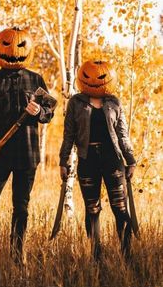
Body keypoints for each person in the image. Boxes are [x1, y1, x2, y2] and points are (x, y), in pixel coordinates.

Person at [0, 27, 54, 263]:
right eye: (7, 44)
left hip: (27, 155)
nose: (14, 51)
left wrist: (39, 112)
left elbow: (50, 112)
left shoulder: (35, 80)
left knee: (21, 208)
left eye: (20, 46)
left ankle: (17, 257)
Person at [59, 60, 136, 261]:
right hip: (88, 159)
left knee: (120, 207)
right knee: (92, 208)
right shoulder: (76, 102)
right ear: (81, 76)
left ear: (108, 79)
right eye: (88, 75)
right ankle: (97, 256)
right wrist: (63, 160)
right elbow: (68, 134)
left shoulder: (114, 102)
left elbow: (122, 134)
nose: (94, 80)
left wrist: (131, 159)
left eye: (101, 77)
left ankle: (127, 256)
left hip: (113, 159)